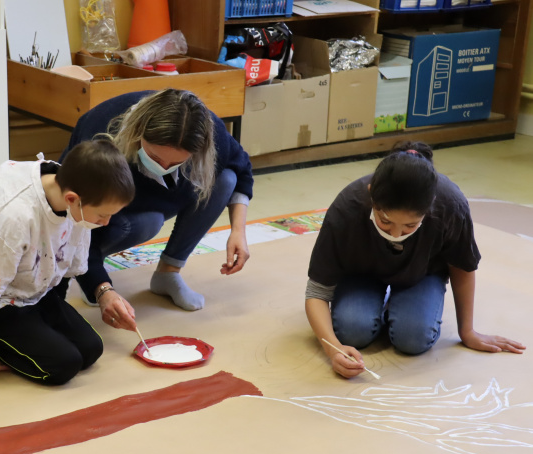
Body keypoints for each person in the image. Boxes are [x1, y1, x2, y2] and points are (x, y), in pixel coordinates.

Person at [305, 141, 526, 379]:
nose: (396, 234)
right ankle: (378, 304)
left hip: (422, 274)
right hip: (362, 274)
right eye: (385, 221)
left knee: (413, 339)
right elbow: (317, 290)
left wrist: (467, 331)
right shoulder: (347, 208)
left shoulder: (450, 204)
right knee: (351, 332)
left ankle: (398, 305)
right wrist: (333, 349)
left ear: (430, 207)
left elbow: (462, 265)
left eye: (410, 225)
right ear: (371, 195)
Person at [59, 89, 254, 331]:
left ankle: (168, 272)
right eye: (154, 157)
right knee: (148, 223)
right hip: (117, 213)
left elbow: (242, 168)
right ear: (138, 131)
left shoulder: (209, 130)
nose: (163, 167)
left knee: (226, 179)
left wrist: (238, 231)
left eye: (175, 163)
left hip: (169, 197)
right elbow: (72, 224)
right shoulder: (101, 136)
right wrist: (100, 287)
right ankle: (88, 269)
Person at [0, 140, 135, 385]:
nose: (107, 222)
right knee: (63, 366)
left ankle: (29, 335)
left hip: (34, 292)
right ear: (72, 198)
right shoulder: (15, 216)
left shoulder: (75, 192)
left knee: (90, 350)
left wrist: (101, 293)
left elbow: (67, 263)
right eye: (102, 215)